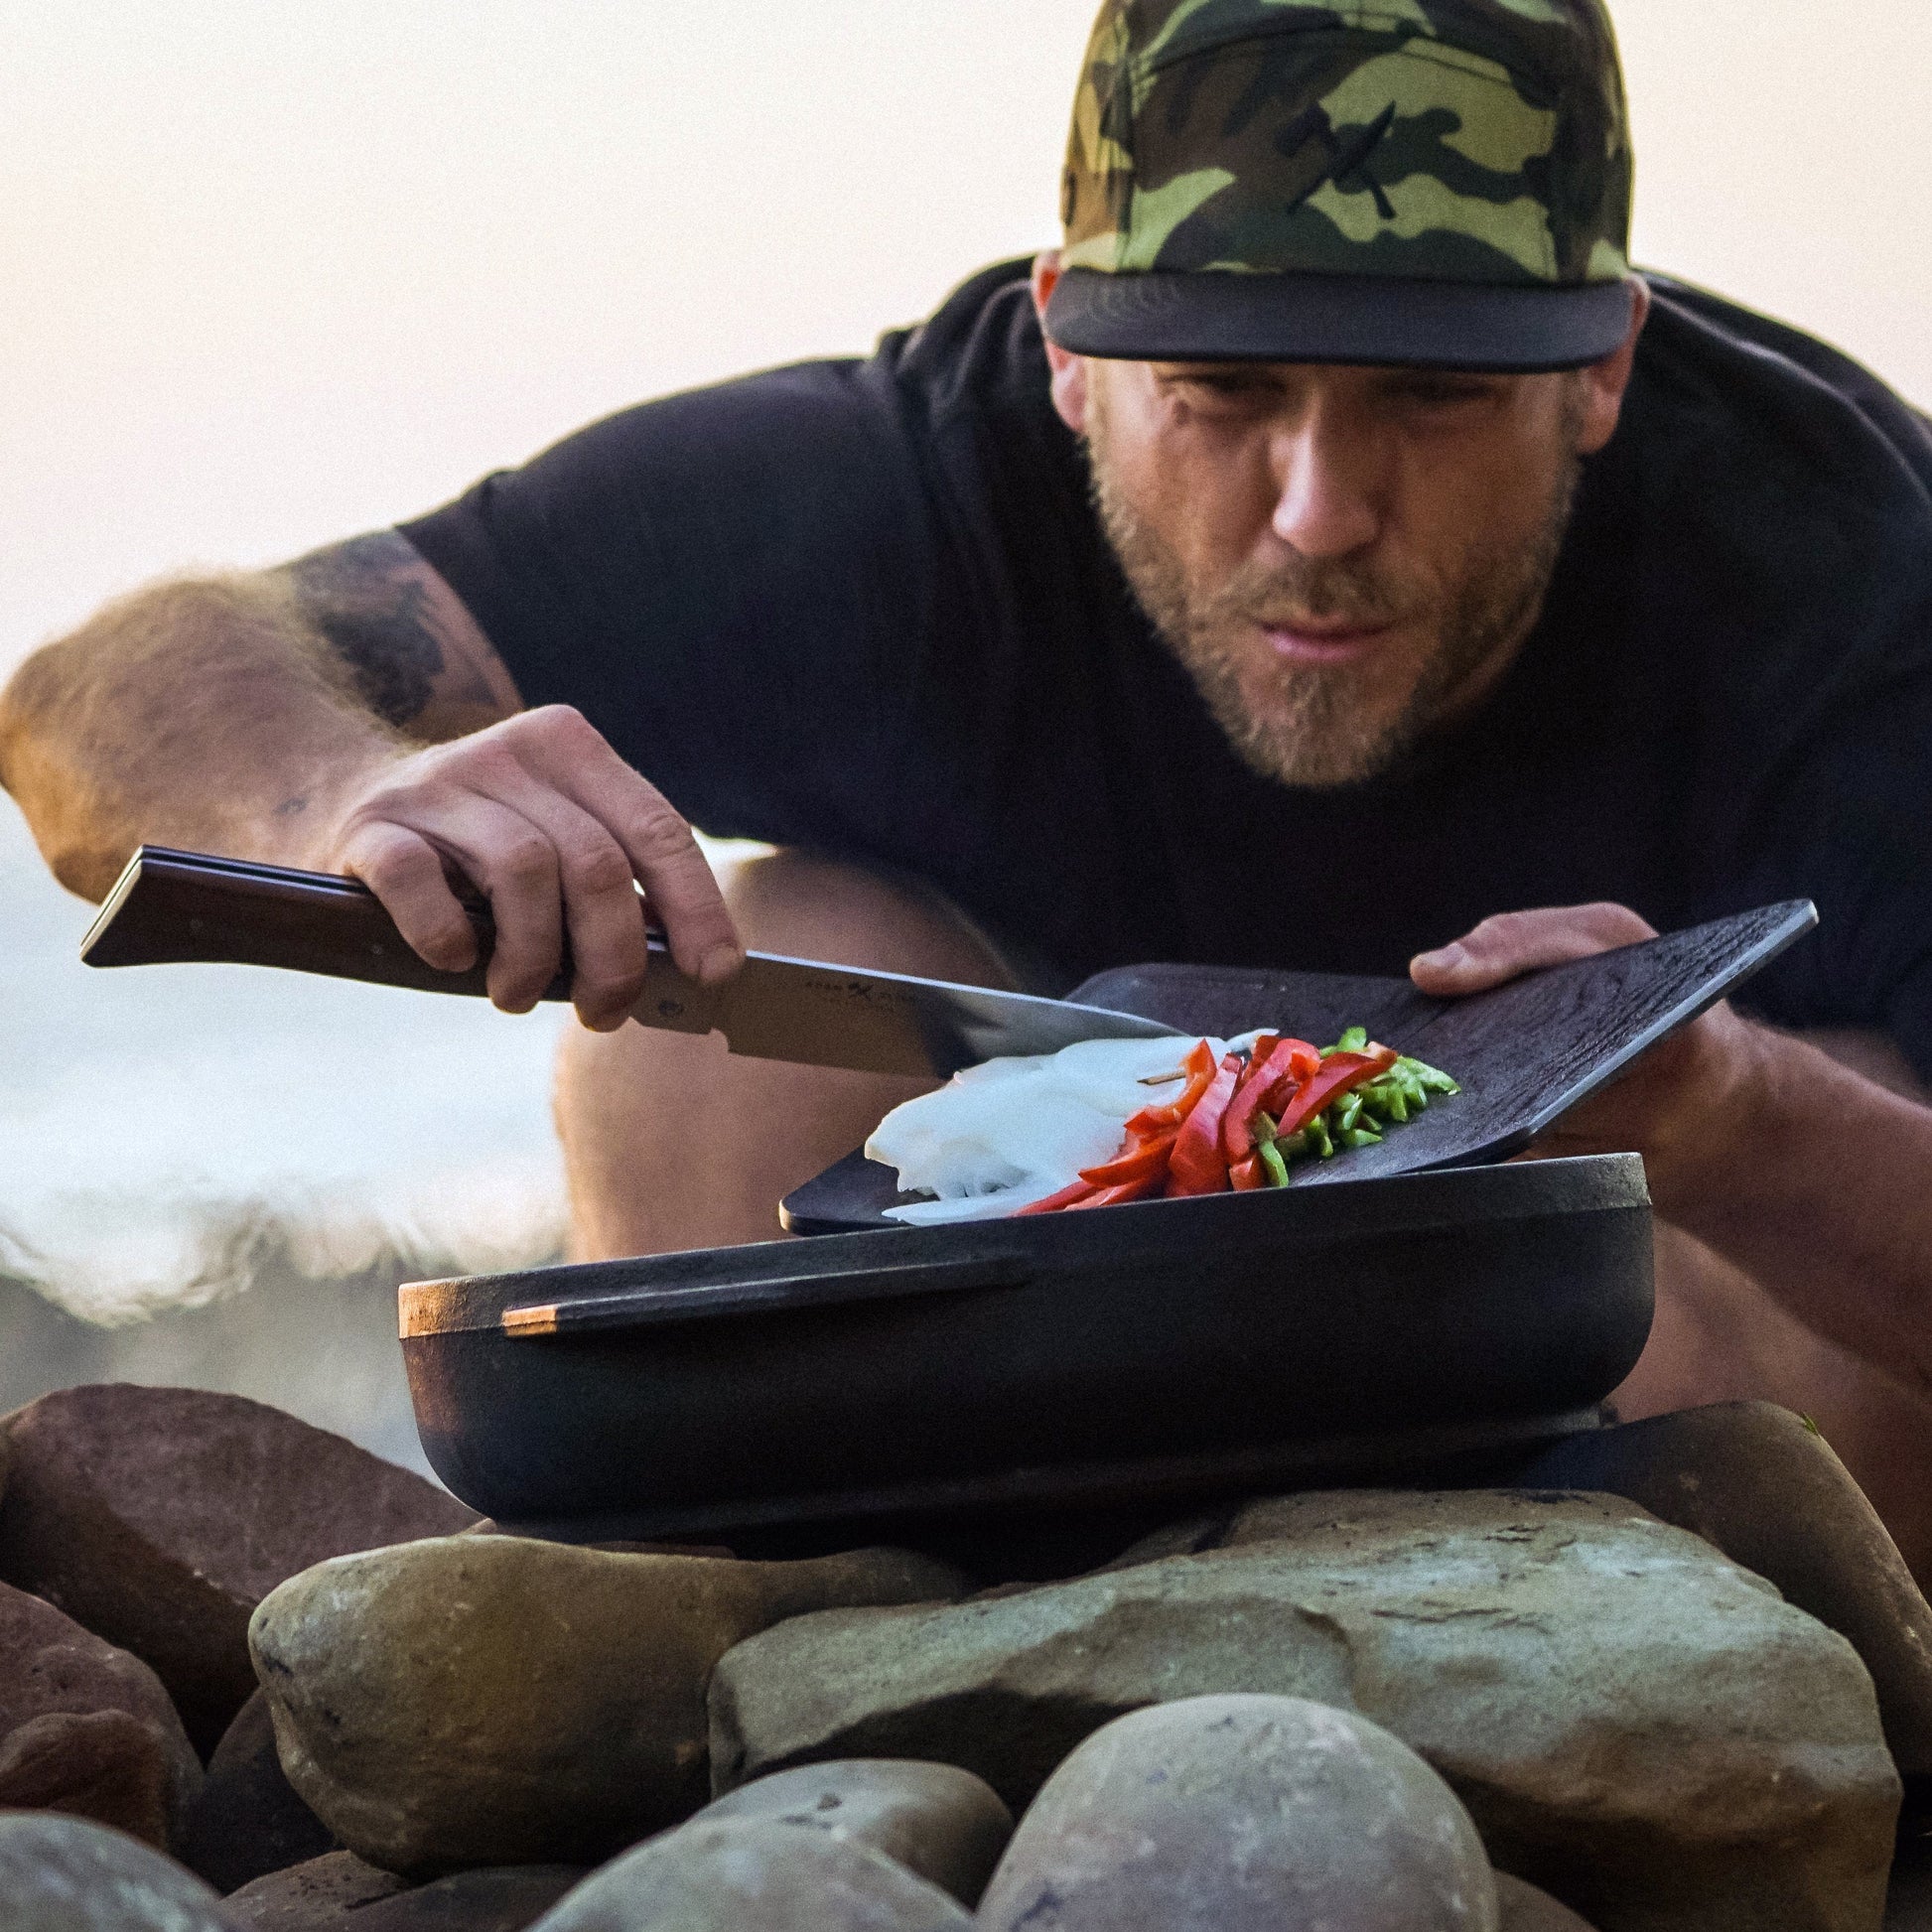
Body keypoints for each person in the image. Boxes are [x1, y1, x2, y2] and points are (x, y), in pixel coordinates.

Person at [6, 0, 1932, 1571]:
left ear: (1600, 363)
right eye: (1223, 395)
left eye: (1428, 397)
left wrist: (1745, 1113)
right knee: (766, 966)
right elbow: (93, 701)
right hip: (1016, 1415)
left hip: (1633, 1467)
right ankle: (766, 1685)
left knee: (1830, 1106)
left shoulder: (1856, 583)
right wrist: (349, 793)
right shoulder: (903, 499)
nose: (1317, 512)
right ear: (1068, 349)